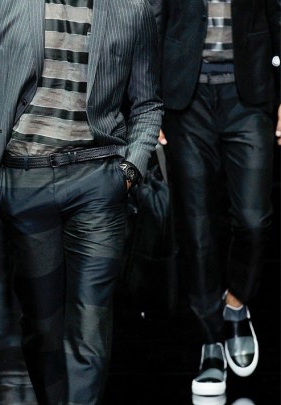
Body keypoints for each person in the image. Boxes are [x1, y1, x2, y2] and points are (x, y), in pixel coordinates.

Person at [0, 0, 162, 403]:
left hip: (98, 180)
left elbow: (147, 102)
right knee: (42, 327)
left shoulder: (131, 8)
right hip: (26, 177)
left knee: (90, 325)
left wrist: (129, 170)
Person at [150, 0, 280, 397]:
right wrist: (147, 105)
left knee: (254, 220)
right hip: (186, 99)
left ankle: (236, 303)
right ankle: (210, 339)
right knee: (196, 228)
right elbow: (150, 20)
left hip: (249, 95)